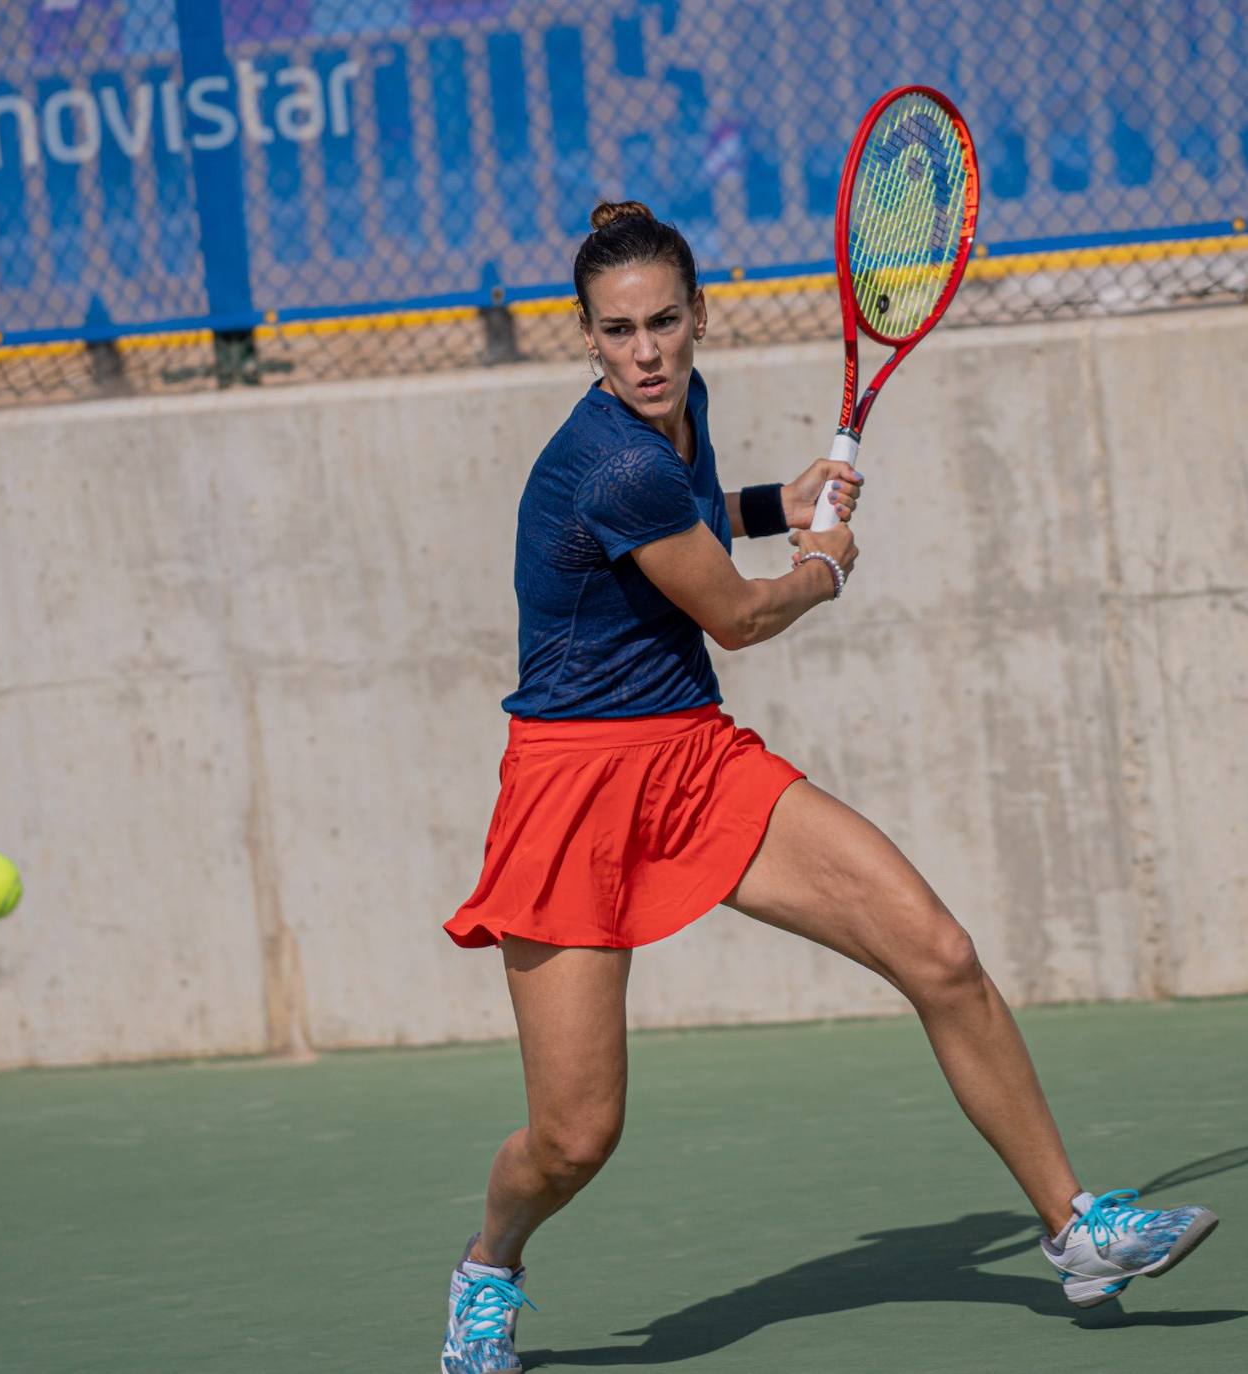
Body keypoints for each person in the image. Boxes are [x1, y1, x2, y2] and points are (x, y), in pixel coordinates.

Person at [437, 201, 1217, 1374]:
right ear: (586, 342)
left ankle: (1075, 1229)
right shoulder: (607, 457)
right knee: (575, 1138)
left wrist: (767, 506)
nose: (645, 352)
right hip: (573, 793)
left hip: (692, 759)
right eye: (617, 333)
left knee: (940, 954)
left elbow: (687, 530)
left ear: (696, 319)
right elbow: (741, 615)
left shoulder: (677, 411)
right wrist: (821, 565)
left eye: (662, 324)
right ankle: (490, 1264)